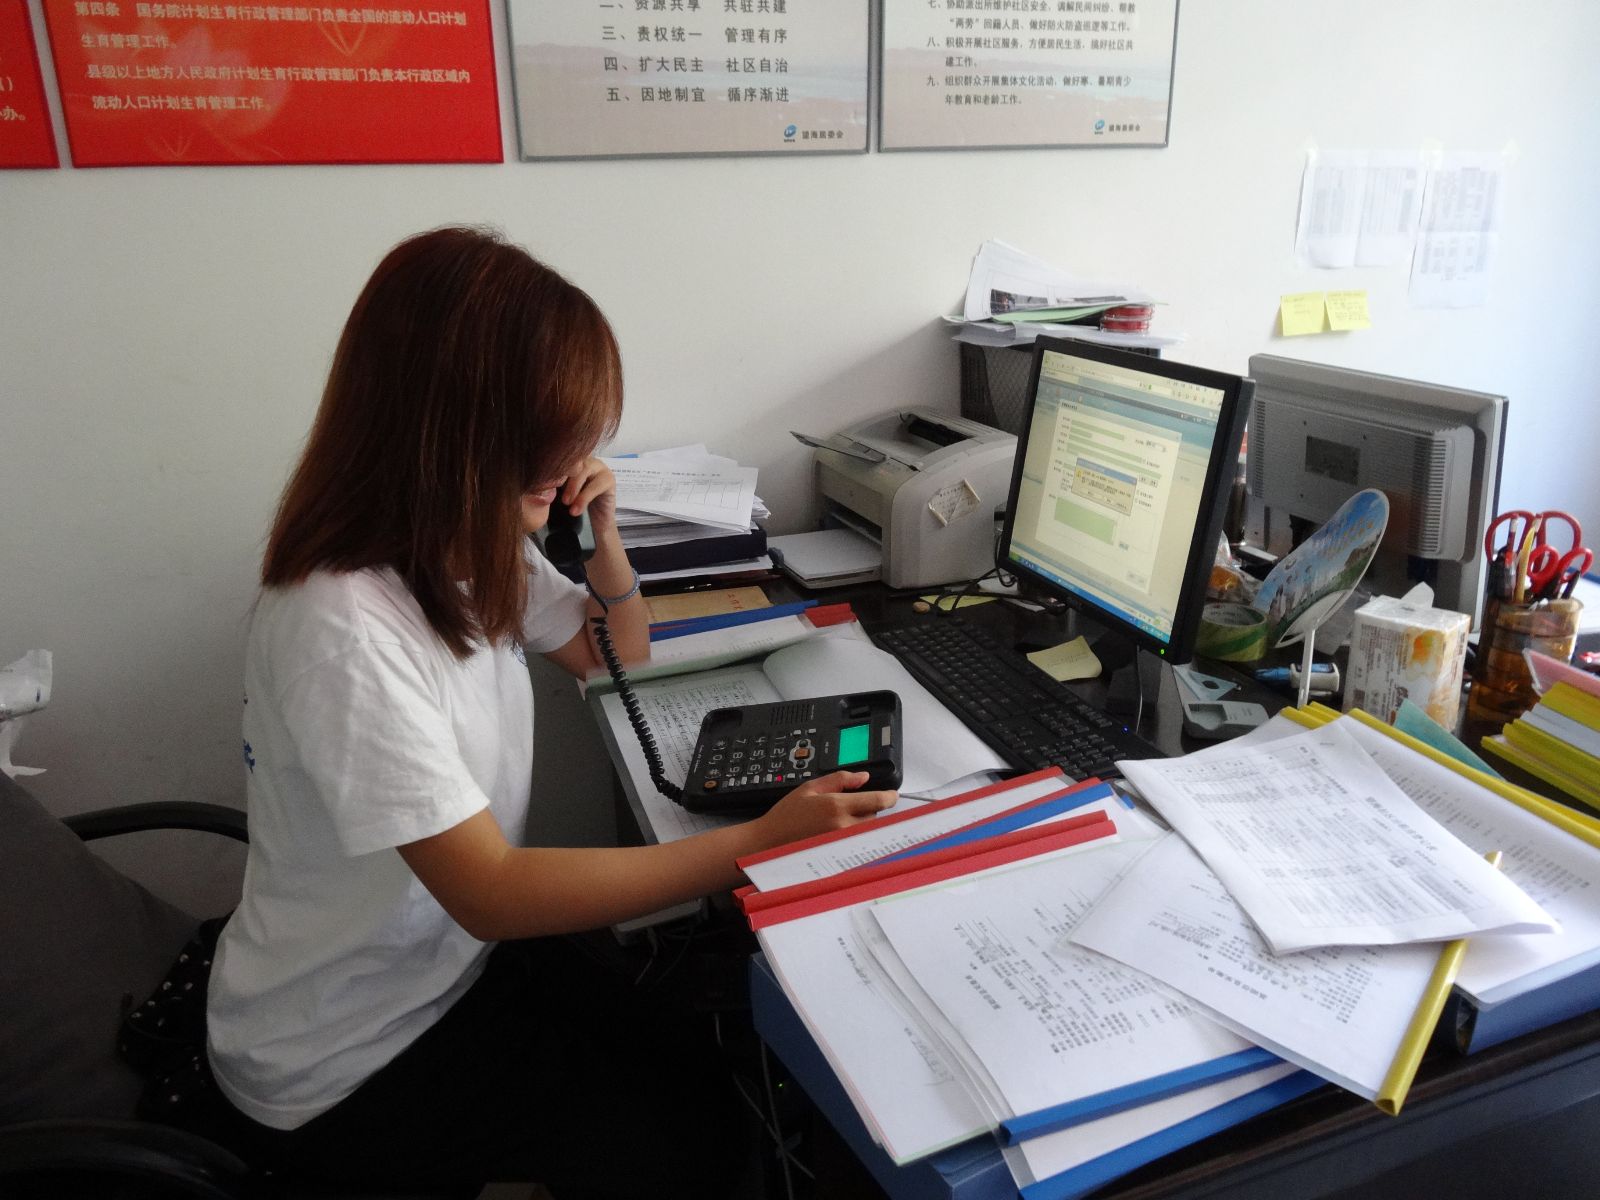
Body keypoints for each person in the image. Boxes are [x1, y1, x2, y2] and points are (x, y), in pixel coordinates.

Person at [197, 226, 897, 1196]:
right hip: (346, 1058)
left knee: (698, 1051)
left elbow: (613, 651)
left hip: (446, 968)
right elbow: (489, 890)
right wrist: (760, 842)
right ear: (445, 433)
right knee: (686, 1141)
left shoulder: (460, 541)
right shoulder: (341, 624)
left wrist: (600, 533)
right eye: (544, 445)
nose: (568, 459)